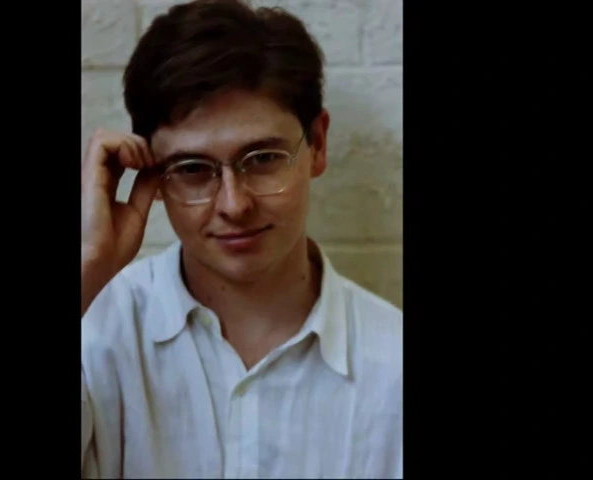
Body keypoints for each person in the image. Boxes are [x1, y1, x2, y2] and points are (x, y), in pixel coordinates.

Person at [80, 0, 402, 478]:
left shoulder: (393, 363)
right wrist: (88, 264)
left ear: (317, 144)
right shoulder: (94, 332)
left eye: (264, 158)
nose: (234, 205)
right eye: (192, 169)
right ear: (153, 177)